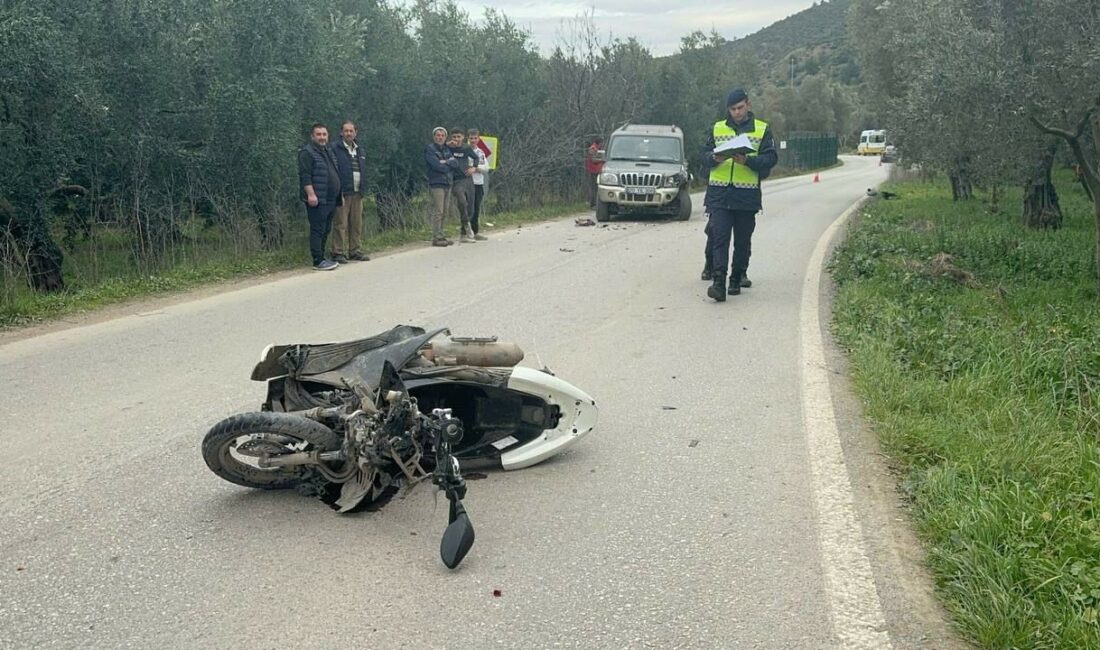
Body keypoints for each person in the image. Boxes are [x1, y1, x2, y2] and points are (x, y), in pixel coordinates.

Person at [701, 88, 777, 302]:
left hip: (746, 196)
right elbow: (702, 155)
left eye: (740, 107)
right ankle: (718, 283)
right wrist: (713, 158)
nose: (737, 112)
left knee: (742, 241)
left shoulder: (762, 129)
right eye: (733, 109)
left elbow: (771, 159)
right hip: (719, 194)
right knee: (719, 238)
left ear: (748, 105)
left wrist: (749, 161)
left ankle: (736, 277)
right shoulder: (717, 128)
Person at [297, 123, 342, 271]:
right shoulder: (307, 152)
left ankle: (322, 257)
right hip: (317, 199)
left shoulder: (327, 151)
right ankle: (317, 260)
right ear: (312, 136)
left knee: (326, 229)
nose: (322, 137)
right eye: (319, 134)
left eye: (324, 134)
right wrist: (311, 194)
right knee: (317, 229)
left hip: (330, 199)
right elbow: (305, 176)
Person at [330, 120, 370, 262]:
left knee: (356, 223)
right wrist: (337, 189)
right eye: (346, 131)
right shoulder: (335, 148)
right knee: (341, 223)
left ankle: (355, 250)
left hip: (358, 192)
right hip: (342, 192)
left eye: (351, 131)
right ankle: (338, 252)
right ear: (341, 133)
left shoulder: (360, 149)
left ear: (355, 132)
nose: (348, 133)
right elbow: (333, 170)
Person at [424, 126, 462, 246]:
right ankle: (436, 237)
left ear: (445, 137)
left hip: (448, 182)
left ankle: (442, 235)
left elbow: (455, 163)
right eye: (438, 135)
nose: (440, 137)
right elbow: (436, 165)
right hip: (437, 183)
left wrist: (445, 161)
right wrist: (447, 163)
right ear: (434, 137)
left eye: (442, 135)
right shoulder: (430, 149)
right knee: (439, 211)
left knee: (445, 211)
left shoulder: (446, 149)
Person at [446, 128, 478, 243]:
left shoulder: (466, 148)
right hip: (456, 180)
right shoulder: (448, 147)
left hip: (468, 179)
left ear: (463, 137)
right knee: (462, 202)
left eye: (458, 137)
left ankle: (463, 235)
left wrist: (474, 167)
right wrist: (446, 144)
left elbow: (476, 157)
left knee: (471, 207)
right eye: (454, 137)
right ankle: (467, 225)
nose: (456, 139)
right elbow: (438, 149)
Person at [467, 128, 490, 240]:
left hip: (478, 183)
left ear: (478, 138)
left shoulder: (481, 153)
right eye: (471, 138)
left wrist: (476, 168)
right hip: (467, 184)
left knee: (476, 208)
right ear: (468, 138)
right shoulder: (464, 151)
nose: (473, 140)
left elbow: (486, 168)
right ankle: (466, 232)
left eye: (475, 138)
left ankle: (475, 232)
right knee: (468, 209)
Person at [585, 136, 605, 209]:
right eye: (601, 143)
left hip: (596, 170)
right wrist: (602, 160)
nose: (602, 145)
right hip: (593, 171)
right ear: (598, 143)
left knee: (595, 187)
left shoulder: (596, 149)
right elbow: (593, 160)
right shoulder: (593, 149)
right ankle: (592, 204)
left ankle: (593, 203)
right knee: (593, 188)